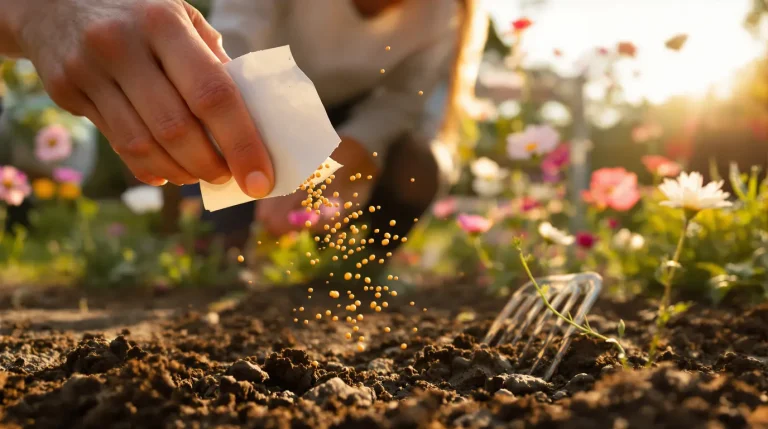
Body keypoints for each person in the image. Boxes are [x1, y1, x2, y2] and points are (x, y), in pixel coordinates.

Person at [0, 0, 487, 255]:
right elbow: (235, 41)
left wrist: (336, 165)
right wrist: (276, 153)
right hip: (253, 101)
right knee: (223, 251)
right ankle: (213, 251)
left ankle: (354, 270)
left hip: (349, 123)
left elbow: (401, 100)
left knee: (421, 164)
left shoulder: (442, 12)